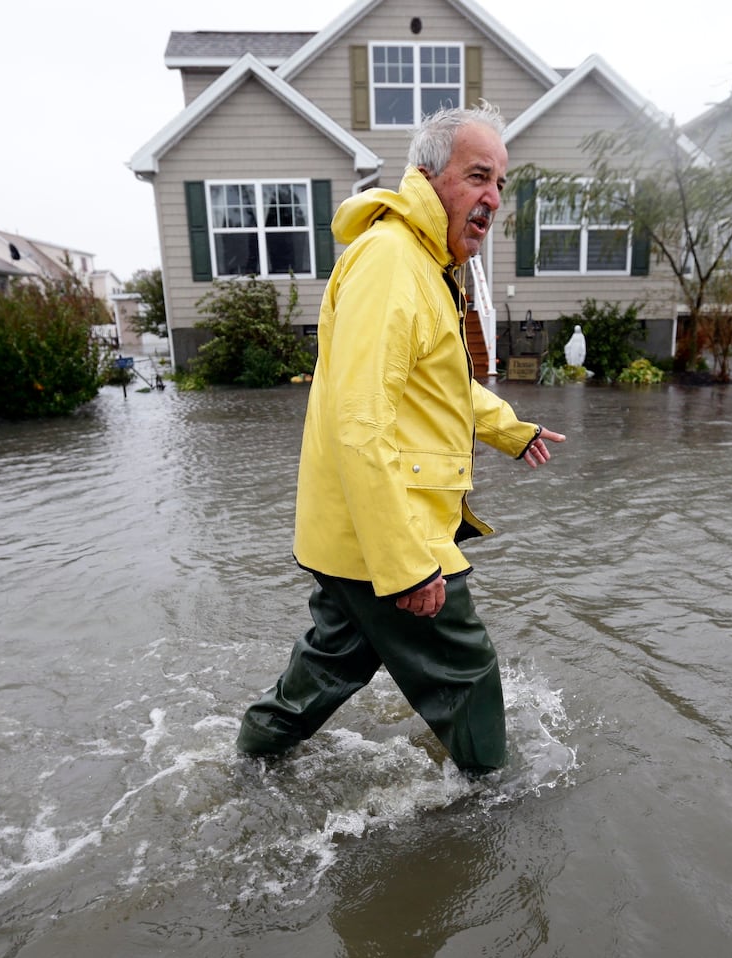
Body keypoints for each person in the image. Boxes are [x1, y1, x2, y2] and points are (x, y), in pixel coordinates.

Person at [236, 103, 565, 775]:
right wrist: (409, 562)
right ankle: (491, 805)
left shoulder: (423, 262)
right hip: (386, 536)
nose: (493, 199)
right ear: (427, 174)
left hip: (352, 536)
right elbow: (361, 423)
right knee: (468, 671)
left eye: (500, 182)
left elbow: (439, 386)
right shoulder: (391, 262)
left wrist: (509, 429)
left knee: (333, 662)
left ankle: (248, 758)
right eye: (479, 176)